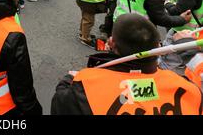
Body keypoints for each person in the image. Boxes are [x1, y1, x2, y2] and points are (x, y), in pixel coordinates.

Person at [51, 14, 203, 115]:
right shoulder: (189, 88)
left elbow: (60, 105)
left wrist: (67, 82)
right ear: (158, 46)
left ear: (110, 43)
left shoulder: (83, 87)